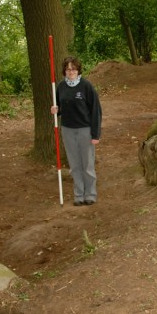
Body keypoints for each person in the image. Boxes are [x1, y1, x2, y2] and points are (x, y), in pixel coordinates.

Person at [50, 56, 102, 206]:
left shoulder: (86, 86)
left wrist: (95, 134)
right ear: (64, 71)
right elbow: (59, 107)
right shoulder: (60, 87)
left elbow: (95, 111)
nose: (71, 71)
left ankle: (90, 194)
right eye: (68, 69)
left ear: (78, 70)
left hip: (85, 129)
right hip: (67, 130)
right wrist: (56, 110)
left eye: (73, 69)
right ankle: (78, 194)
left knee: (87, 164)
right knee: (75, 165)